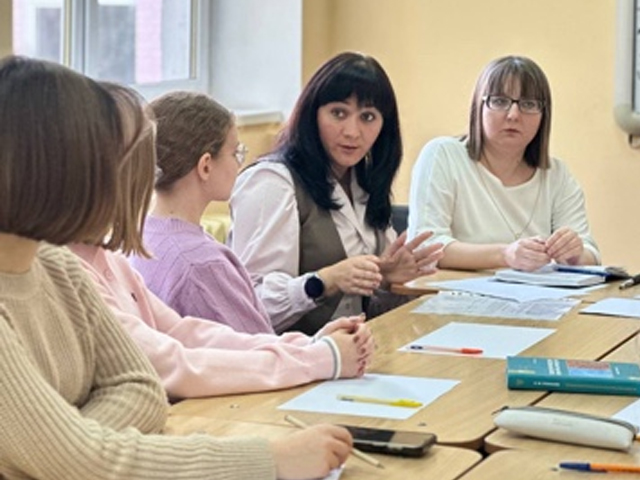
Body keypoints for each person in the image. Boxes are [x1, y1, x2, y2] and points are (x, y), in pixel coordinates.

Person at [0, 55, 351, 480]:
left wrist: (66, 446)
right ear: (40, 168)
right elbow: (84, 458)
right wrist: (270, 460)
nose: (123, 182)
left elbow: (143, 388)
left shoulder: (59, 267)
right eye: (103, 162)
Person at [71, 91, 373, 401]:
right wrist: (320, 357)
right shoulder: (79, 271)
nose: (150, 177)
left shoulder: (111, 256)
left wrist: (309, 347)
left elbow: (185, 332)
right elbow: (174, 363)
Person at [229, 52, 444, 335]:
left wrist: (386, 281)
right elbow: (250, 307)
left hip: (352, 351)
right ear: (312, 115)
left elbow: (359, 309)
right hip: (289, 356)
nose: (352, 132)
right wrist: (324, 281)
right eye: (338, 113)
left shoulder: (363, 182)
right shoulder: (272, 183)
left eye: (368, 117)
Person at [408, 55, 600, 272]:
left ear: (544, 115)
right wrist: (505, 254)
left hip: (537, 293)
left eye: (528, 104)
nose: (513, 115)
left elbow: (591, 254)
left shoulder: (557, 175)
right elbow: (425, 247)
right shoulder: (443, 155)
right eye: (500, 101)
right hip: (454, 291)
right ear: (479, 107)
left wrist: (575, 253)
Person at [128, 91, 271, 334]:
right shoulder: (203, 265)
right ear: (205, 166)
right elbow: (259, 348)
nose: (240, 163)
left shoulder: (137, 236)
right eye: (235, 153)